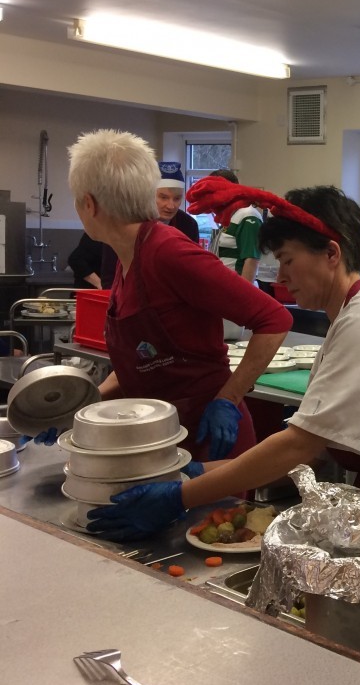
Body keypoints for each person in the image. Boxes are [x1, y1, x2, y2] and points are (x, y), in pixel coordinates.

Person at [87, 181, 360, 543]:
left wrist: (180, 496)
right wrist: (201, 471)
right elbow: (314, 454)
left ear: (331, 253)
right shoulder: (349, 319)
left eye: (287, 260)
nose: (280, 277)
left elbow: (301, 444)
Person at [40, 130, 292, 465]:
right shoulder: (128, 256)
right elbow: (140, 364)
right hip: (160, 433)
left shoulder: (168, 253)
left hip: (208, 438)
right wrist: (80, 409)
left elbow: (275, 319)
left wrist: (228, 400)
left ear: (89, 204)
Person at [100, 161, 201, 288]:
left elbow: (191, 271)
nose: (171, 206)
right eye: (163, 197)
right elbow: (109, 275)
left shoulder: (188, 225)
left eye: (177, 198)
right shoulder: (125, 222)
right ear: (149, 195)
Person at [193, 168, 265, 340]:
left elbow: (251, 258)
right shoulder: (227, 216)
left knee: (229, 342)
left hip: (235, 293)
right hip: (221, 292)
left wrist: (242, 296)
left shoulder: (247, 216)